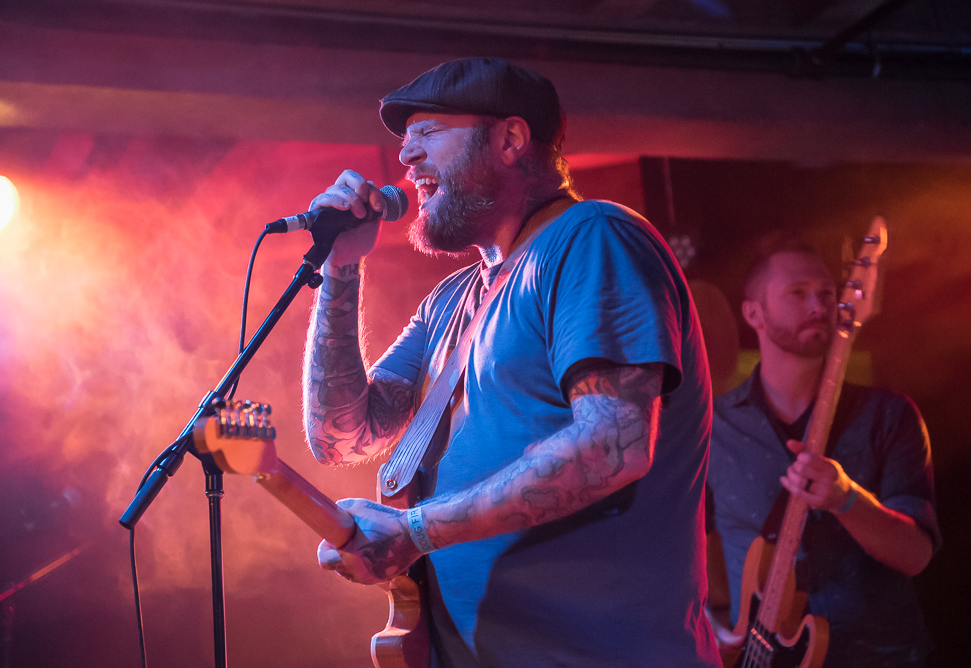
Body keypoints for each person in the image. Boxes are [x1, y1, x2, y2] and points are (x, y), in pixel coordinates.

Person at [303, 57, 720, 667]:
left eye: (428, 133)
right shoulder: (451, 302)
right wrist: (341, 267)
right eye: (405, 140)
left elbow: (614, 445)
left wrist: (417, 531)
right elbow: (340, 436)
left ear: (510, 139)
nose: (407, 158)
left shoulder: (591, 238)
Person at [706, 240, 941, 666]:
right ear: (753, 313)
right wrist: (711, 624)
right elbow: (690, 546)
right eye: (797, 292)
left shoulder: (889, 416)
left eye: (827, 293)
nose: (818, 304)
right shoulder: (714, 428)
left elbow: (916, 555)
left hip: (881, 657)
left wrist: (847, 499)